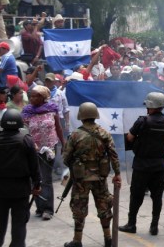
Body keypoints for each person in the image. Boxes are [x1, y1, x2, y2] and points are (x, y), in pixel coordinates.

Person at [119, 92, 164, 236]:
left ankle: (131, 224)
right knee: (157, 196)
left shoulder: (142, 121)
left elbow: (129, 137)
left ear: (150, 105)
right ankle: (154, 226)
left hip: (141, 165)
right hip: (159, 165)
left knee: (136, 196)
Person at [63, 102, 121, 247]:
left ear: (81, 117)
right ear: (95, 116)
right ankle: (108, 239)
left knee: (79, 208)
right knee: (104, 207)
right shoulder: (104, 133)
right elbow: (114, 155)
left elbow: (65, 158)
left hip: (81, 179)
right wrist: (117, 173)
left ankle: (77, 241)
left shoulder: (75, 135)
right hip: (100, 177)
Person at [21, 85, 64, 221]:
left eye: (35, 96)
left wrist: (64, 143)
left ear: (43, 97)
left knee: (45, 178)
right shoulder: (27, 112)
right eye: (31, 96)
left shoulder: (52, 110)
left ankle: (48, 209)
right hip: (32, 149)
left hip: (49, 148)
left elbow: (58, 128)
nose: (32, 98)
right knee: (35, 178)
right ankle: (39, 207)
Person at [0, 110, 41, 247]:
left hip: (0, 190)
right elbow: (34, 166)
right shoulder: (26, 140)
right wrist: (37, 184)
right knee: (19, 226)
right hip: (20, 190)